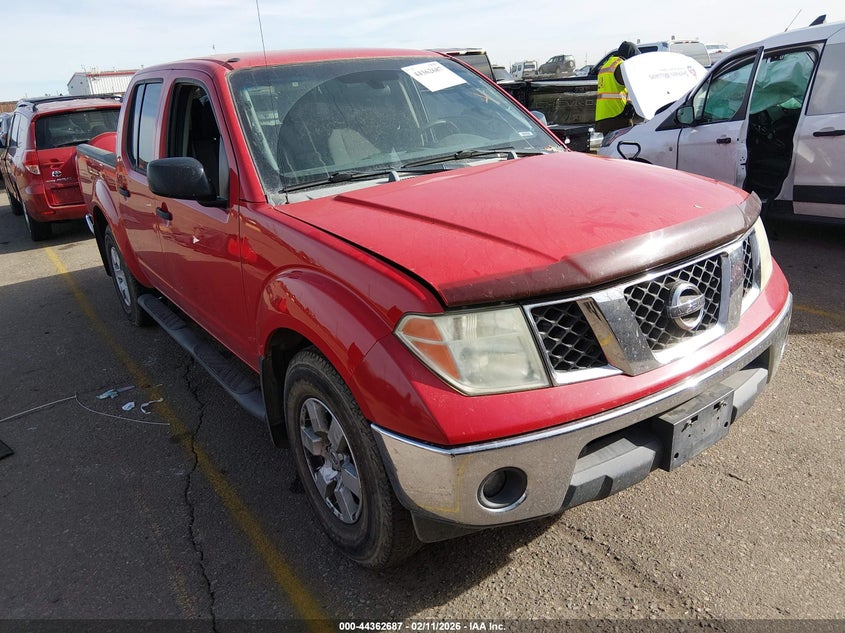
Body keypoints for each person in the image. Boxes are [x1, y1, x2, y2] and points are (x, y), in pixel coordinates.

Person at [594, 41, 640, 135]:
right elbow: (632, 86)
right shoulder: (621, 66)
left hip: (604, 116)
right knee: (623, 146)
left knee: (609, 146)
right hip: (618, 115)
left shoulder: (607, 64)